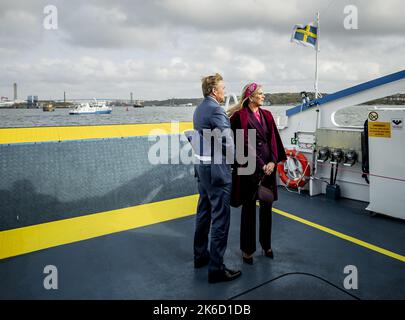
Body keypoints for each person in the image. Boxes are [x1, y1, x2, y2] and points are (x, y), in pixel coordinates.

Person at [227, 82, 286, 265]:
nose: (263, 96)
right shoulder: (239, 117)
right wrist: (261, 164)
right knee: (249, 209)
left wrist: (273, 161)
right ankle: (247, 250)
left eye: (262, 93)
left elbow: (274, 140)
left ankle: (266, 245)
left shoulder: (267, 115)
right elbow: (243, 144)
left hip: (268, 168)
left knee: (267, 206)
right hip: (249, 168)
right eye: (260, 94)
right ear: (250, 96)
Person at [192, 73, 242, 284]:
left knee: (204, 212)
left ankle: (200, 256)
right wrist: (235, 161)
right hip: (216, 171)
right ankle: (217, 268)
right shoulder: (216, 110)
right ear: (214, 91)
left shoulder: (199, 109)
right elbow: (227, 142)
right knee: (220, 218)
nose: (224, 91)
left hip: (202, 169)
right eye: (223, 88)